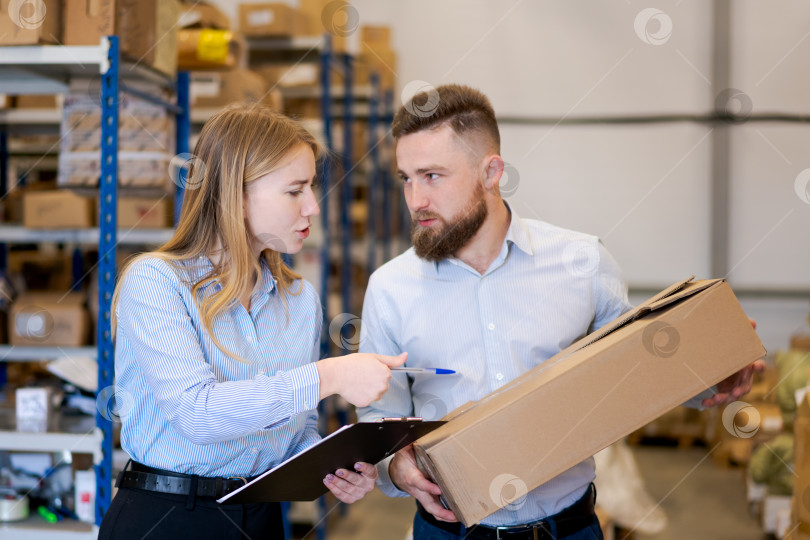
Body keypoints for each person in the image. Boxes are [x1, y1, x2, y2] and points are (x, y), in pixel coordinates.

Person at [357, 84, 764, 539]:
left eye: (432, 176)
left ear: (491, 172)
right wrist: (396, 469)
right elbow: (378, 419)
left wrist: (713, 368)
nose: (415, 200)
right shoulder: (390, 288)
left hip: (566, 529)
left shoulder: (582, 263)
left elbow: (641, 371)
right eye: (405, 179)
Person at [99, 103, 407, 539]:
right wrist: (329, 375)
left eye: (311, 189)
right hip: (166, 517)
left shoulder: (299, 299)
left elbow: (296, 425)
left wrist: (331, 465)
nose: (313, 208)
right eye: (295, 190)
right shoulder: (155, 282)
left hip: (259, 518)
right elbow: (196, 414)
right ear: (236, 194)